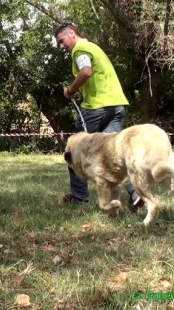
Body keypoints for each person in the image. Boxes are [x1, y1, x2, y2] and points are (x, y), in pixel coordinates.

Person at [55, 22, 144, 212]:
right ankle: (136, 193)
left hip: (96, 108)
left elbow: (86, 71)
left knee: (72, 151)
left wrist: (71, 89)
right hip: (115, 105)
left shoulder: (80, 50)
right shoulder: (94, 47)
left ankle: (79, 197)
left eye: (61, 41)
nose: (61, 46)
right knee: (117, 155)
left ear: (71, 33)